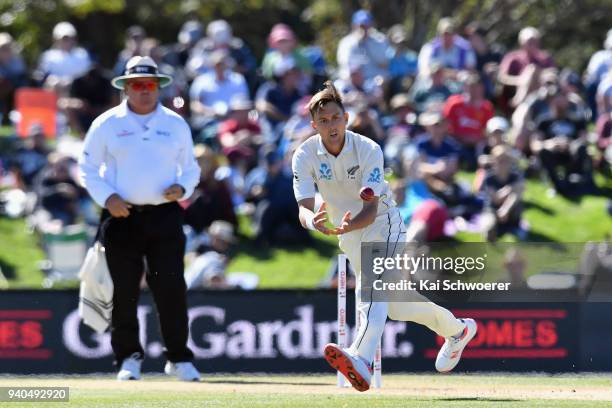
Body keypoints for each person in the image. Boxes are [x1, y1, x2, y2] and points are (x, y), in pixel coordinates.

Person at [291, 82, 476, 392]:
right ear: (314, 125)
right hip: (346, 234)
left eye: (336, 118)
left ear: (346, 118)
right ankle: (458, 331)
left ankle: (361, 359)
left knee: (371, 289)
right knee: (397, 306)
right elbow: (304, 210)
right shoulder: (305, 154)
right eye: (323, 121)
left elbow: (370, 208)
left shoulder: (368, 149)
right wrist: (316, 222)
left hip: (383, 225)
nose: (331, 125)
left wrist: (347, 226)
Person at [78, 56, 201, 381]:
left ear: (158, 87)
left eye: (149, 85)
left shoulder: (175, 124)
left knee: (171, 287)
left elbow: (190, 168)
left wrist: (183, 187)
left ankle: (178, 358)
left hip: (164, 216)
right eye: (137, 85)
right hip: (121, 217)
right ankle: (128, 358)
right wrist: (108, 197)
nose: (144, 91)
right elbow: (87, 168)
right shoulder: (107, 123)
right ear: (126, 88)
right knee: (124, 291)